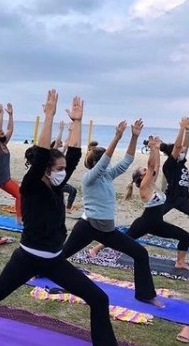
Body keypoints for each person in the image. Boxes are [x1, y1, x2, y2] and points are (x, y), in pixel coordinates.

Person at [0, 91, 132, 346]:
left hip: (55, 260)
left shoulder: (55, 185)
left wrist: (77, 122)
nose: (63, 173)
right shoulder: (31, 185)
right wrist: (48, 115)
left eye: (63, 169)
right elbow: (45, 154)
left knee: (99, 298)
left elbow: (72, 154)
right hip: (27, 258)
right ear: (45, 170)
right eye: (58, 169)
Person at [60, 119, 163, 307]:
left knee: (140, 253)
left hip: (107, 231)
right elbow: (105, 161)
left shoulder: (108, 175)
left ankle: (145, 294)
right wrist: (117, 137)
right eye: (104, 162)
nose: (107, 164)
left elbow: (127, 160)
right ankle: (37, 269)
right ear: (97, 163)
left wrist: (134, 136)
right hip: (87, 227)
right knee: (61, 255)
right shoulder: (89, 178)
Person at [91, 135, 189, 272]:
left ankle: (180, 262)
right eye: (144, 170)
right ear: (142, 176)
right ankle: (96, 248)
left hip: (157, 224)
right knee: (121, 239)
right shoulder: (144, 187)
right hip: (144, 223)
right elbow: (151, 165)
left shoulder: (152, 184)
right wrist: (152, 149)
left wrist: (155, 149)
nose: (147, 170)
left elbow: (156, 166)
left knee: (185, 236)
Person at [160, 118, 189, 216]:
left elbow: (185, 145)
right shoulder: (170, 165)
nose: (183, 152)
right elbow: (178, 146)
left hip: (183, 199)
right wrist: (181, 128)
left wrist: (187, 130)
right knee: (154, 215)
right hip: (171, 198)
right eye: (180, 152)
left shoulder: (180, 163)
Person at [51, 121, 78, 213]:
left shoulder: (60, 153)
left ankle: (67, 208)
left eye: (61, 146)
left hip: (60, 182)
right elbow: (57, 142)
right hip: (53, 182)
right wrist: (61, 130)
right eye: (59, 145)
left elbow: (66, 143)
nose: (61, 146)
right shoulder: (52, 154)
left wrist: (70, 131)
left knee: (72, 191)